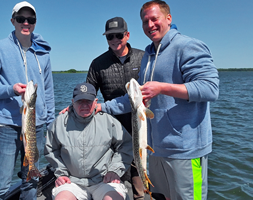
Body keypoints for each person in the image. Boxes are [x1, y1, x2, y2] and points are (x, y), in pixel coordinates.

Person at [96, 1, 220, 200]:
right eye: (145, 21)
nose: (150, 25)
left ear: (168, 19)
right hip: (155, 150)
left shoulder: (188, 46)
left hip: (185, 151)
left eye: (155, 19)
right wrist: (100, 106)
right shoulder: (149, 55)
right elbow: (137, 99)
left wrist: (162, 87)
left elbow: (210, 88)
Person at [0, 1, 55, 199]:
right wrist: (11, 90)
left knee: (31, 183)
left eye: (30, 19)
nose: (26, 22)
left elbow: (48, 91)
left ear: (35, 22)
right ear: (13, 21)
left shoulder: (43, 54)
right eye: (21, 18)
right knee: (0, 186)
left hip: (37, 127)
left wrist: (51, 124)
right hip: (7, 125)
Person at [86, 16, 146, 200]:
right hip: (112, 126)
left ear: (127, 35)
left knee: (139, 166)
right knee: (114, 171)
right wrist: (75, 108)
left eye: (118, 35)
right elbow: (89, 92)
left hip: (141, 124)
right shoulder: (98, 63)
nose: (114, 40)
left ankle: (140, 196)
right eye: (109, 37)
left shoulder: (143, 57)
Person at [45, 83, 133, 200]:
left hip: (104, 180)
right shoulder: (59, 122)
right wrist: (61, 173)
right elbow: (51, 150)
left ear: (96, 101)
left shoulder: (108, 120)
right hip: (72, 181)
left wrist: (114, 170)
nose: (85, 105)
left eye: (89, 101)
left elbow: (126, 145)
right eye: (80, 101)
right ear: (72, 102)